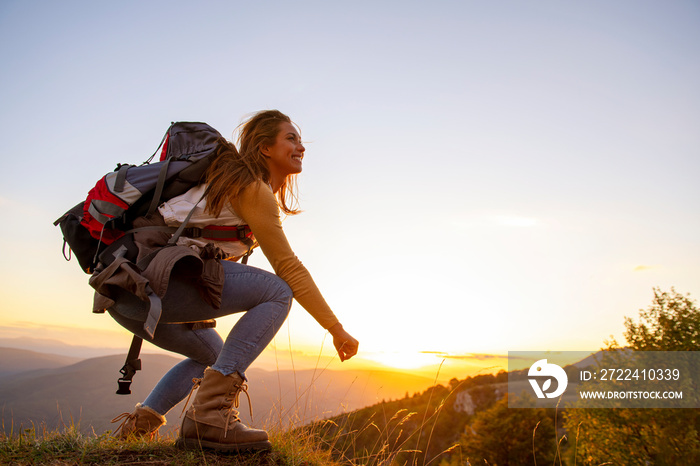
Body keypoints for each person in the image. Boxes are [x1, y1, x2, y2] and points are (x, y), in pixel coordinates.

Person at [107, 110, 359, 451]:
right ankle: (210, 416)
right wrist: (335, 327)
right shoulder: (251, 188)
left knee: (213, 355)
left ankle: (135, 430)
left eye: (300, 139)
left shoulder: (228, 183)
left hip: (127, 293)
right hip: (154, 286)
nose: (301, 146)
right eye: (291, 138)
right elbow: (289, 268)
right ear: (264, 148)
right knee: (277, 291)